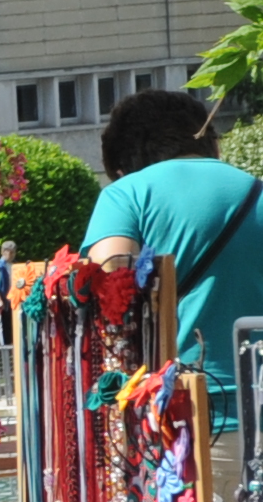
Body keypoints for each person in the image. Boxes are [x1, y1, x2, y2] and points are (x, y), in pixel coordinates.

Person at [84, 90, 263, 428]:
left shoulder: (126, 193)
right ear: (211, 141)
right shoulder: (257, 189)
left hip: (188, 415)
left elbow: (110, 271)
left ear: (124, 163)